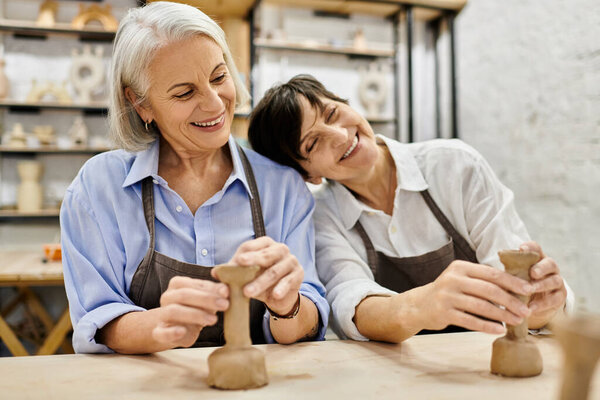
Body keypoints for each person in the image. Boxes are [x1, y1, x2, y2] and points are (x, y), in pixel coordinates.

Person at [60, 4, 328, 354]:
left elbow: (307, 324)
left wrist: (287, 303)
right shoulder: (98, 188)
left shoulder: (283, 188)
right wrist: (157, 326)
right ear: (140, 104)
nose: (215, 103)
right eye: (185, 93)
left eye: (219, 77)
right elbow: (97, 319)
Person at [247, 75, 573, 343]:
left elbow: (514, 280)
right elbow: (351, 304)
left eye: (332, 114)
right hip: (404, 373)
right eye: (313, 143)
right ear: (307, 174)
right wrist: (419, 306)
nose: (339, 135)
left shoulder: (455, 165)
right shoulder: (322, 216)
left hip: (487, 356)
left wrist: (540, 305)